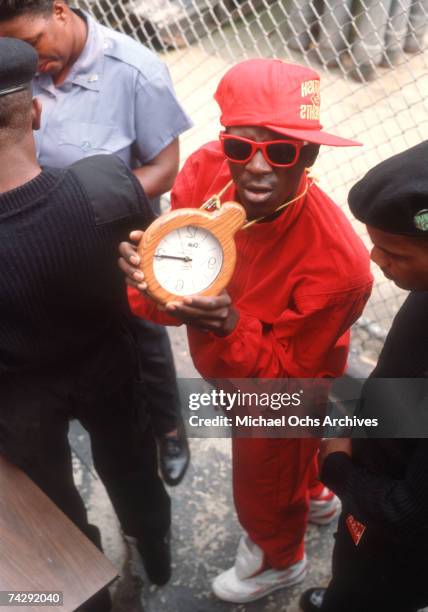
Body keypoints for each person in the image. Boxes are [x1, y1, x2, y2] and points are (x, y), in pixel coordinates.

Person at [119, 58, 373, 604]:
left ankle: (278, 559)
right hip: (238, 369)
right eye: (242, 147)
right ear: (225, 142)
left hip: (283, 386)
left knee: (264, 474)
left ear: (309, 155)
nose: (257, 167)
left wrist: (230, 326)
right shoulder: (208, 167)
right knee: (289, 462)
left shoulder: (339, 268)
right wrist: (151, 273)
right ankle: (315, 496)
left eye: (280, 151)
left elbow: (280, 389)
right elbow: (171, 281)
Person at [0, 37, 173, 611]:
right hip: (109, 364)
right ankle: (153, 550)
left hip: (16, 394)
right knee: (131, 466)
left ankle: (83, 584)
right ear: (38, 109)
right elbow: (144, 267)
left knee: (49, 497)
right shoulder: (103, 184)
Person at [0, 0, 192, 487]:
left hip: (118, 229)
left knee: (145, 335)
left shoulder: (135, 72)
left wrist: (89, 202)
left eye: (31, 43)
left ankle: (168, 428)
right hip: (46, 234)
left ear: (60, 11)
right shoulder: (22, 73)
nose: (29, 60)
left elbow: (164, 167)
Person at [300, 140, 428, 612]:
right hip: (388, 450)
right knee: (350, 570)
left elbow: (407, 509)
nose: (375, 258)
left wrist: (337, 464)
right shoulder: (423, 284)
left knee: (366, 589)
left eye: (394, 251)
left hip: (399, 544)